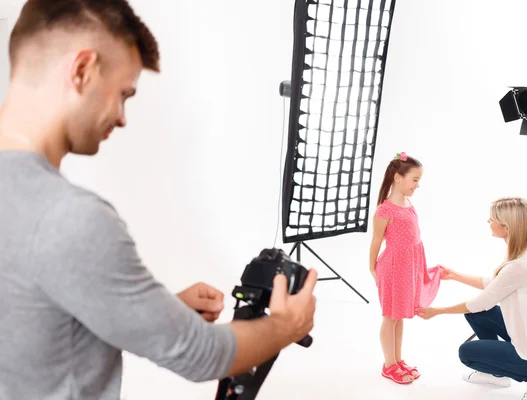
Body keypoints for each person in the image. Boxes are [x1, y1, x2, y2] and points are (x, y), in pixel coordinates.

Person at [0, 1, 317, 399]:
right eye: (124, 94)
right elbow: (202, 356)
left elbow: (31, 314)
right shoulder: (69, 218)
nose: (122, 117)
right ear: (81, 69)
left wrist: (155, 309)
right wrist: (287, 326)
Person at [416, 197, 527, 400]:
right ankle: (497, 374)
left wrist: (437, 311)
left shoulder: (520, 264)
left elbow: (481, 301)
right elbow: (496, 284)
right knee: (477, 315)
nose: (489, 221)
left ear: (507, 227)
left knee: (466, 352)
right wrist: (454, 275)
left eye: (492, 218)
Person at [369, 151, 442, 384]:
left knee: (399, 316)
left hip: (407, 268)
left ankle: (398, 360)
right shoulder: (385, 210)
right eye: (415, 180)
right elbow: (376, 241)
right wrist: (373, 270)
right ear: (398, 178)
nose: (418, 185)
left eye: (419, 180)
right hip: (392, 268)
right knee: (390, 316)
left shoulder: (408, 203)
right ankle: (388, 365)